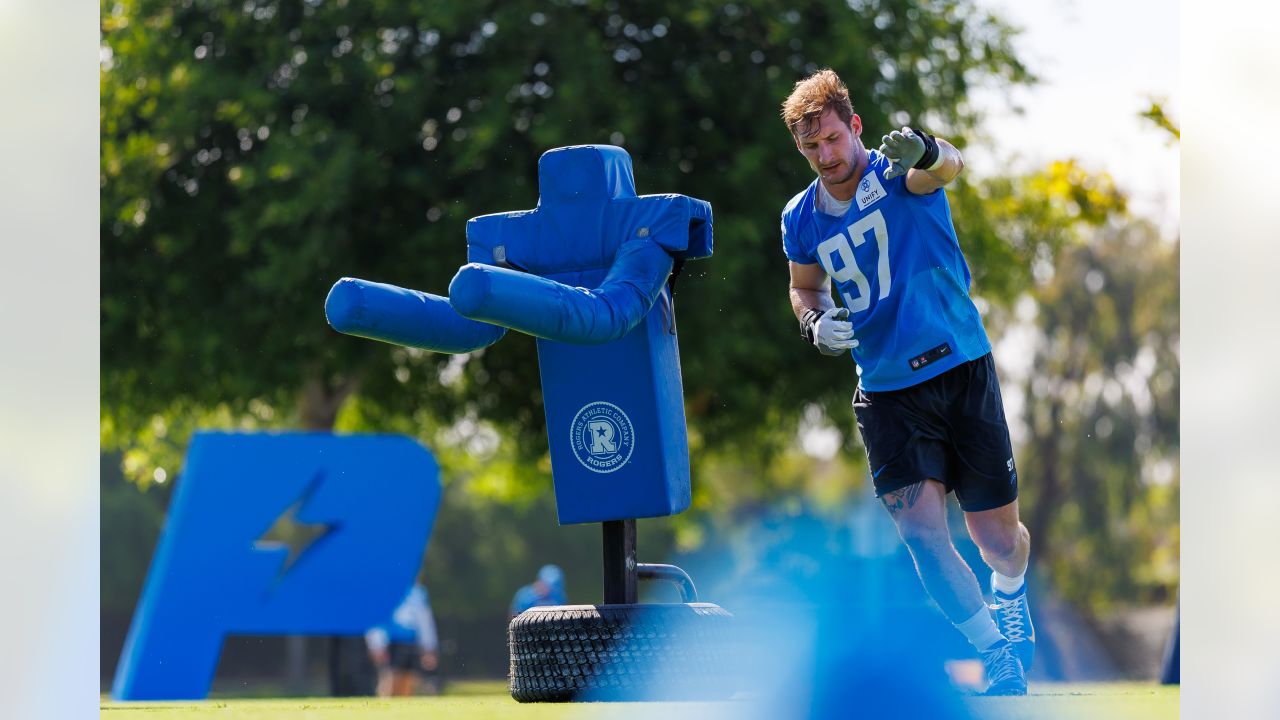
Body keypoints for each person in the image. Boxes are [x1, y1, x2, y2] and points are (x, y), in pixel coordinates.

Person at [777, 69, 1034, 696]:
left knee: (997, 540)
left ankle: (1010, 593)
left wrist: (924, 146)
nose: (827, 156)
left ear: (855, 126)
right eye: (812, 147)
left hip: (959, 366)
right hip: (885, 389)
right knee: (921, 531)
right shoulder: (800, 217)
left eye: (834, 139)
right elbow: (803, 283)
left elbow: (947, 166)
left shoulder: (895, 173)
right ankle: (995, 652)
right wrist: (812, 321)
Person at [365, 581, 440, 697]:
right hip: (390, 643)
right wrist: (376, 645)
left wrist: (429, 647)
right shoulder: (385, 590)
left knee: (408, 684)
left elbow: (425, 623)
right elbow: (376, 619)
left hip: (411, 643)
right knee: (390, 682)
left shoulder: (418, 593)